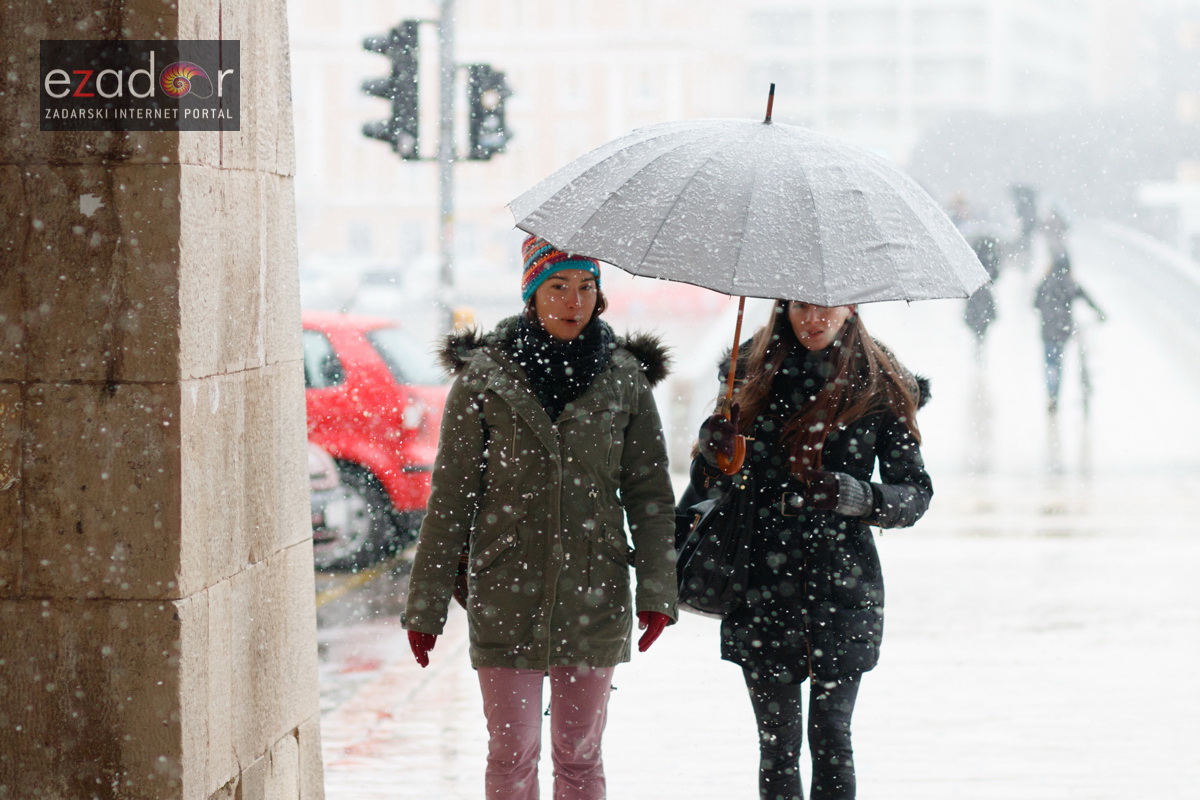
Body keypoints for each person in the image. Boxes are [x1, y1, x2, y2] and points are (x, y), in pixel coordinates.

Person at [402, 235, 678, 800]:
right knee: (511, 755)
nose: (574, 301)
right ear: (531, 293)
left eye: (586, 287)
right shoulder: (483, 380)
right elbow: (451, 500)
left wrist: (657, 588)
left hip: (594, 592)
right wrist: (425, 606)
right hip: (506, 593)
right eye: (558, 286)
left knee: (579, 757)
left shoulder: (624, 379)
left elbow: (650, 495)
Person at [691, 300, 933, 800]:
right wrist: (712, 453)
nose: (814, 319)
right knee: (776, 746)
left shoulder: (880, 383)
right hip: (761, 580)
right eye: (802, 306)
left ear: (850, 308)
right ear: (783, 306)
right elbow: (711, 486)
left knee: (832, 740)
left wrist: (858, 495)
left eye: (827, 308)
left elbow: (915, 494)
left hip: (842, 582)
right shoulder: (745, 374)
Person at [1032, 250, 1106, 413]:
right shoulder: (1069, 283)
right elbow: (1088, 299)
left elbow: (1035, 304)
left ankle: (1051, 394)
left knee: (1049, 363)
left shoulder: (1045, 282)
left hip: (1047, 329)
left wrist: (1046, 311)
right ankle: (1056, 393)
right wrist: (1100, 314)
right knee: (1058, 363)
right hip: (1063, 329)